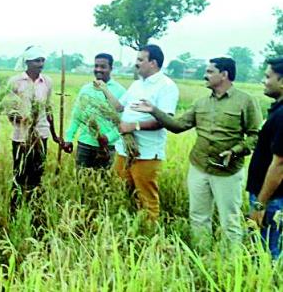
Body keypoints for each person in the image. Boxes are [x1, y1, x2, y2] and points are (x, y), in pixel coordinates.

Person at [131, 57, 263, 246]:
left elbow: (255, 135)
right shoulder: (200, 103)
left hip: (227, 172)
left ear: (224, 75)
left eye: (210, 72)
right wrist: (154, 110)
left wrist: (234, 152)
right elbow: (177, 126)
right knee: (198, 217)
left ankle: (230, 263)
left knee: (230, 220)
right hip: (199, 167)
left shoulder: (246, 101)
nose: (205, 75)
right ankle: (204, 255)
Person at [94, 45, 179, 221]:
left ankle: (149, 237)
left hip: (146, 153)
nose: (136, 63)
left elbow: (164, 120)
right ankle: (125, 228)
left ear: (153, 63)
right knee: (120, 190)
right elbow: (119, 107)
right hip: (124, 150)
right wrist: (104, 89)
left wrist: (134, 126)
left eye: (141, 60)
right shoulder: (137, 84)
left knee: (146, 199)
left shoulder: (167, 86)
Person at [9, 46, 59, 206]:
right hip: (21, 137)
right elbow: (10, 110)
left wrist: (54, 134)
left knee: (37, 174)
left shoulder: (47, 82)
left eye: (43, 60)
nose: (41, 63)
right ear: (28, 62)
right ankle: (15, 208)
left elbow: (49, 109)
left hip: (41, 136)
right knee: (20, 174)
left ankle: (34, 207)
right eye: (37, 60)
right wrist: (23, 119)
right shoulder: (15, 82)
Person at [247, 57, 283, 260]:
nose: (264, 80)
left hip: (272, 199)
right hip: (270, 197)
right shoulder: (277, 111)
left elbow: (279, 165)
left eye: (268, 76)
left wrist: (260, 204)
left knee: (268, 253)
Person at [63, 53, 126, 169]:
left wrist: (108, 138)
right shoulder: (86, 89)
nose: (98, 70)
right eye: (96, 66)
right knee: (81, 182)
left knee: (103, 183)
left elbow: (123, 121)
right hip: (84, 145)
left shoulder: (120, 91)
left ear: (111, 68)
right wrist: (69, 138)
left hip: (107, 147)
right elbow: (76, 116)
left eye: (103, 67)